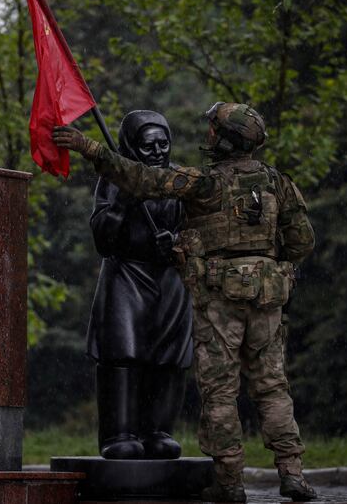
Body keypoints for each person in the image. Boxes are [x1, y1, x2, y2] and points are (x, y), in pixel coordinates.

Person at [53, 102, 317, 502]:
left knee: (220, 392)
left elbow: (142, 179)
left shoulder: (203, 183)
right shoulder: (277, 183)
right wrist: (274, 267)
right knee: (272, 388)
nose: (207, 135)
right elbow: (302, 240)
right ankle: (292, 472)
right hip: (263, 301)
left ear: (226, 140)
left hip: (218, 302)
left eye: (213, 130)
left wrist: (90, 147)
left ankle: (229, 482)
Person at [89, 110, 192, 460]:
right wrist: (124, 207)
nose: (158, 152)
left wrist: (177, 243)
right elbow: (102, 237)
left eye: (164, 144)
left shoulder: (178, 178)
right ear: (132, 146)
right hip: (127, 276)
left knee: (168, 357)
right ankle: (119, 433)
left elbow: (199, 229)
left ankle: (158, 429)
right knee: (123, 354)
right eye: (148, 146)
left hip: (168, 278)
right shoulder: (114, 178)